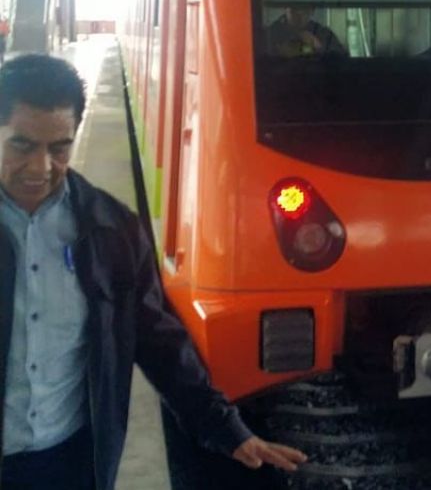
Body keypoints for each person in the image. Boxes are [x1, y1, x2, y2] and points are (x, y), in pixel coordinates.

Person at [0, 54, 307, 490]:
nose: (41, 167)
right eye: (22, 145)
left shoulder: (111, 230)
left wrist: (225, 428)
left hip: (72, 461)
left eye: (59, 148)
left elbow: (156, 337)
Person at [267, 6, 346, 57]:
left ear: (312, 11)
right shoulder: (270, 33)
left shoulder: (323, 33)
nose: (300, 14)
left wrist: (318, 46)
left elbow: (342, 61)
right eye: (295, 8)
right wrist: (280, 54)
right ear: (285, 8)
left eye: (305, 9)